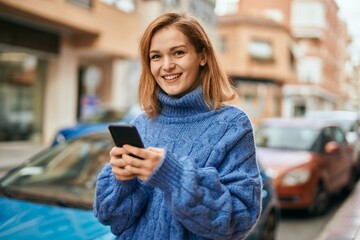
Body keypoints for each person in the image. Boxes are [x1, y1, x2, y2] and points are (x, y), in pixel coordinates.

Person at [94, 11, 262, 240]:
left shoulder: (233, 125)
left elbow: (238, 220)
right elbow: (112, 219)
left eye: (178, 53)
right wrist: (122, 182)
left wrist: (172, 175)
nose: (167, 66)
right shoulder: (141, 124)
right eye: (155, 56)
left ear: (202, 56)